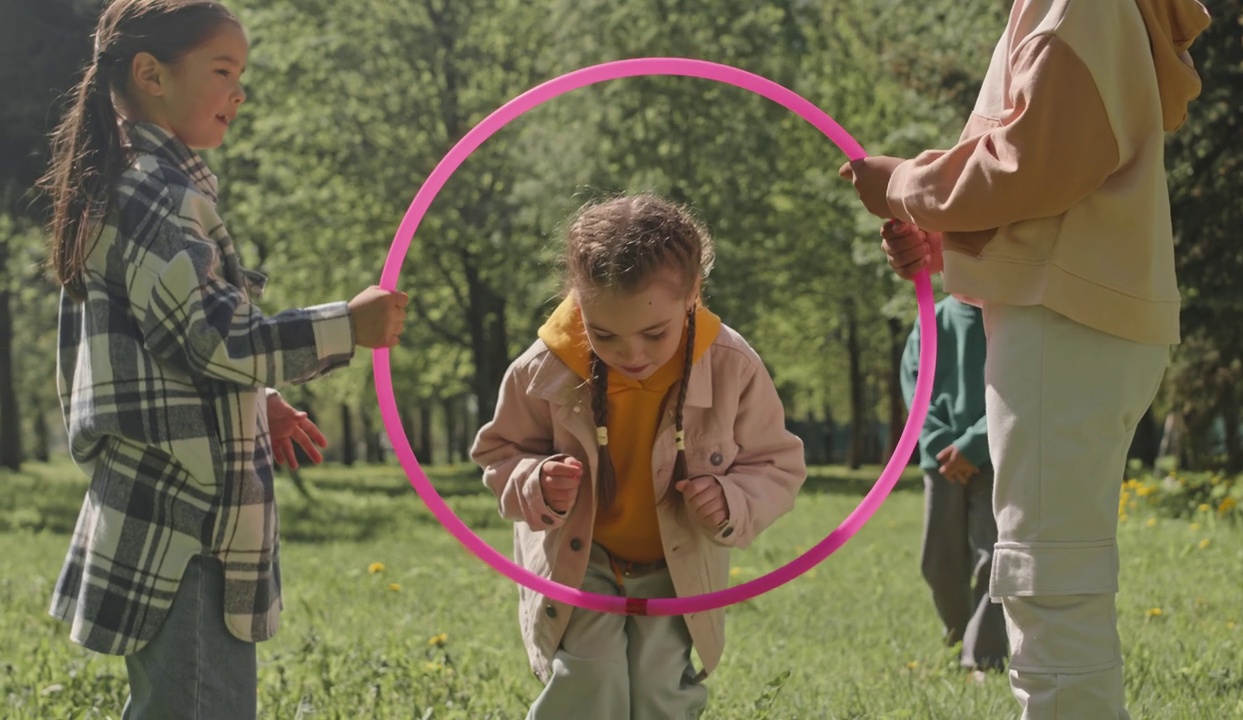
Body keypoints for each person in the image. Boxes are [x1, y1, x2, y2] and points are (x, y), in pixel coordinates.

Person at [38, 1, 408, 716]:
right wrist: (345, 327)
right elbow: (213, 339)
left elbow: (165, 346)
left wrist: (250, 398)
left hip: (175, 506)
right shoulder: (152, 194)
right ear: (151, 73)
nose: (240, 91)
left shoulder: (143, 186)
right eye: (222, 70)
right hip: (187, 520)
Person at [841, 0, 1210, 716]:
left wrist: (906, 188)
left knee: (1048, 580)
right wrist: (953, 233)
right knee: (1049, 570)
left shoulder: (1082, 6)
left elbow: (1035, 159)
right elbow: (1067, 165)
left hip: (1064, 322)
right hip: (1075, 313)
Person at [471, 194, 806, 719]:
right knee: (587, 675)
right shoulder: (544, 369)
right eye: (605, 335)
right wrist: (535, 481)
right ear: (578, 301)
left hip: (672, 563)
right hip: (583, 559)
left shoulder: (730, 366)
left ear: (692, 294)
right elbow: (501, 453)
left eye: (655, 333)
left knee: (658, 688)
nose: (633, 355)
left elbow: (776, 463)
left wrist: (732, 500)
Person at [901, 294, 1006, 675]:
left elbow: (1017, 386)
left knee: (992, 558)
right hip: (942, 462)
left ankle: (984, 657)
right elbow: (914, 386)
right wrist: (938, 444)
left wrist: (974, 444)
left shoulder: (1007, 315)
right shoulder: (934, 319)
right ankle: (960, 638)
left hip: (994, 455)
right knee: (939, 561)